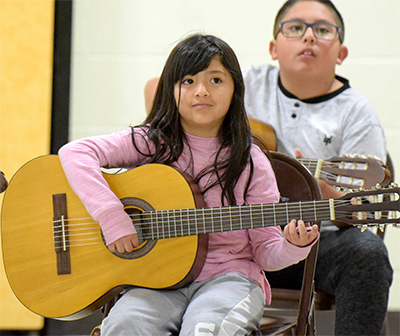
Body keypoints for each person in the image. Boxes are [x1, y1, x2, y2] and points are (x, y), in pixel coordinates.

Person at [59, 34, 319, 336]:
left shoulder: (251, 161)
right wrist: (111, 216)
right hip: (156, 280)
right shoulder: (150, 142)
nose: (202, 91)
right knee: (122, 327)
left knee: (205, 330)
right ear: (172, 89)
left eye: (216, 80)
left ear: (235, 89)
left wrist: (293, 246)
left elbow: (265, 252)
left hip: (230, 279)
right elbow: (75, 153)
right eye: (188, 81)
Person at [242, 1, 393, 335]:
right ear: (273, 47)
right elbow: (157, 89)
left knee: (367, 253)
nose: (308, 37)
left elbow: (364, 213)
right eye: (295, 28)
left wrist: (318, 191)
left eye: (323, 30)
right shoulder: (245, 84)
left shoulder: (357, 114)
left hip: (316, 247)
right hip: (242, 239)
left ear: (341, 52)